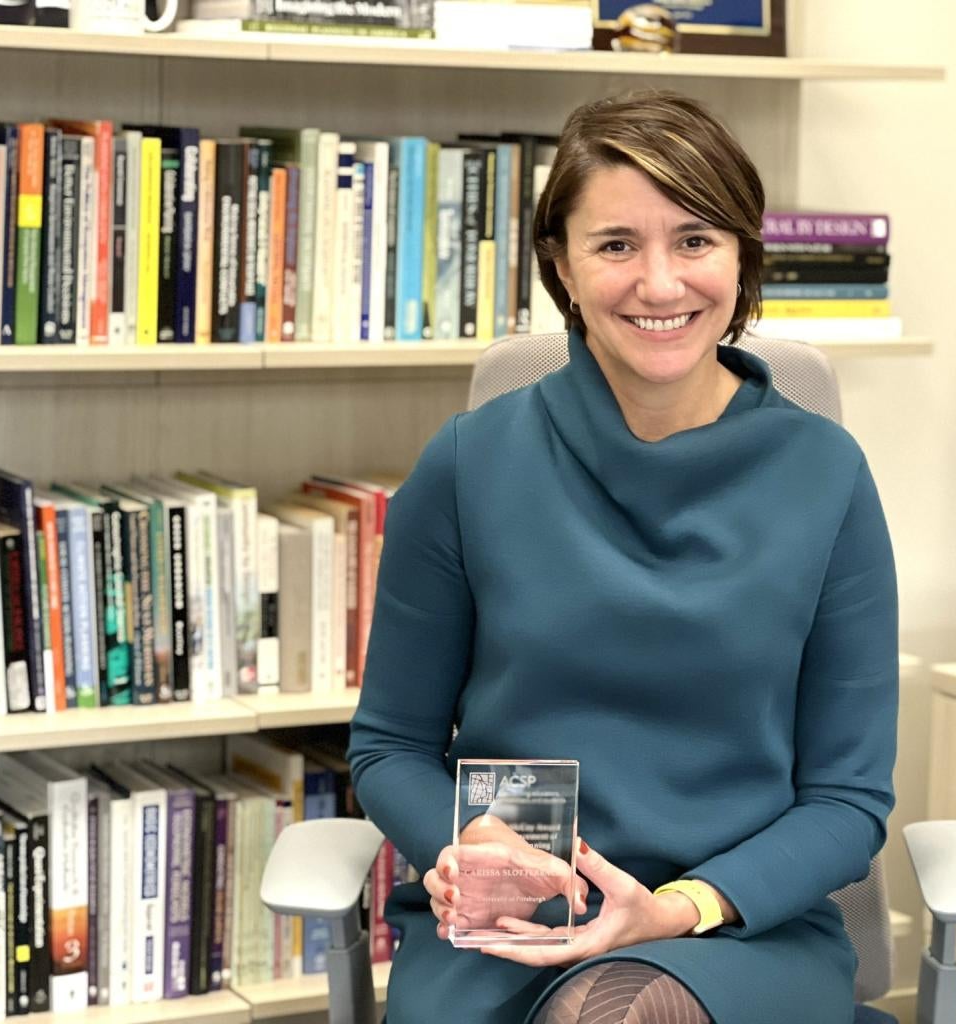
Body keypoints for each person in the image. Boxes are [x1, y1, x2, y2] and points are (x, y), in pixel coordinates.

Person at [347, 89, 898, 1024]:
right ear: (559, 264)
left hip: (732, 926)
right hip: (517, 916)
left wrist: (678, 908)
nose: (659, 283)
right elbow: (390, 746)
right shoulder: (470, 461)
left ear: (740, 257)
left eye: (695, 240)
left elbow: (846, 799)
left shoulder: (825, 474)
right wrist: (475, 841)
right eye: (616, 245)